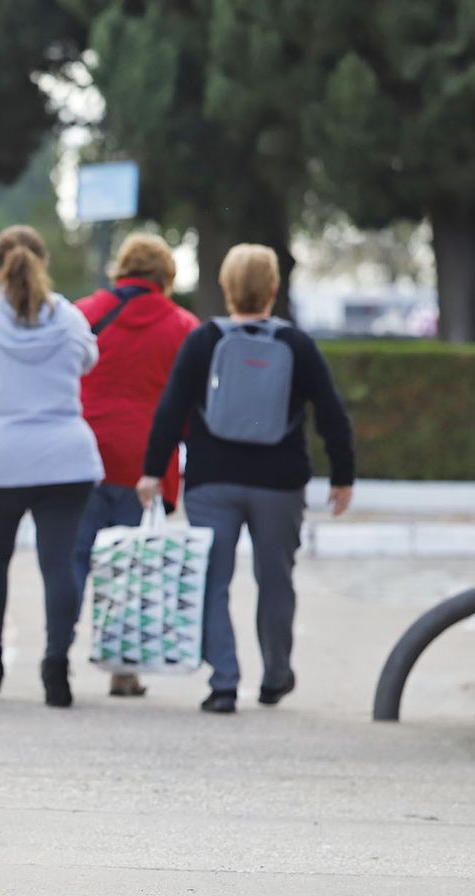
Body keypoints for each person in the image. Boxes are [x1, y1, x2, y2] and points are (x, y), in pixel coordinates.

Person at [139, 243, 354, 714]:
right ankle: (276, 674)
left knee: (213, 581)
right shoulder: (296, 344)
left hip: (212, 480)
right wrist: (343, 475)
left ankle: (223, 682)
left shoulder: (203, 340)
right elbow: (331, 413)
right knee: (275, 579)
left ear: (226, 287)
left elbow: (171, 408)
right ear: (274, 288)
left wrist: (153, 471)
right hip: (279, 483)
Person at [0, 225, 101, 707]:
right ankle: (56, 666)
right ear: (42, 262)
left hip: (1, 456)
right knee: (59, 563)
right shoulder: (69, 318)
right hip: (67, 454)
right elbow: (88, 362)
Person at [71, 234, 199, 698]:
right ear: (166, 276)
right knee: (130, 568)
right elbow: (189, 404)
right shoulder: (184, 325)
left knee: (75, 560)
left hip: (83, 455)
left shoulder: (84, 313)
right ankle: (123, 669)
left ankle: (57, 656)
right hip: (145, 464)